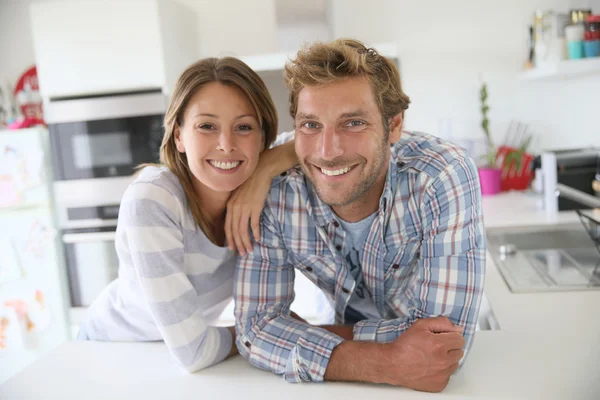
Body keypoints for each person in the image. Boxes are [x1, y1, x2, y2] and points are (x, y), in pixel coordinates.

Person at [233, 38, 486, 393]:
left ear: (394, 126)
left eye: (353, 123)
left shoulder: (440, 176)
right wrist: (384, 361)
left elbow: (445, 341)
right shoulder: (275, 187)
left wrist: (306, 334)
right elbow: (255, 330)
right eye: (311, 125)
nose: (328, 151)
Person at [77, 57, 297, 372]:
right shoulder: (153, 200)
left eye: (244, 127)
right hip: (108, 352)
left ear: (263, 137)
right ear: (179, 135)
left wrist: (264, 171)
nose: (226, 144)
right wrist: (264, 331)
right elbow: (194, 352)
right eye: (207, 126)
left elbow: (310, 140)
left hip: (170, 357)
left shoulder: (261, 192)